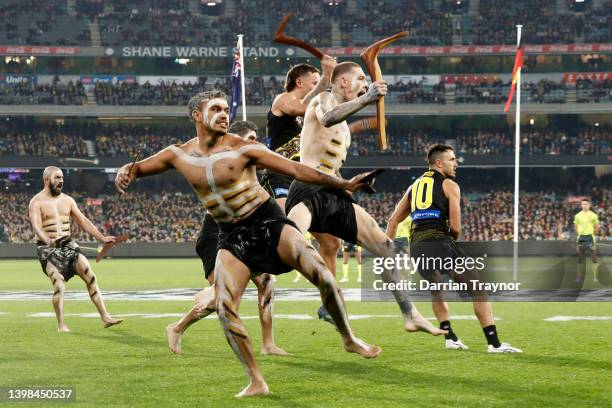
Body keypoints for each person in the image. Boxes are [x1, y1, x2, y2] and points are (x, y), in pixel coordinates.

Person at [115, 91, 381, 397]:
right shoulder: (178, 154)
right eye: (215, 108)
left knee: (320, 271)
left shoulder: (244, 148)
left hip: (267, 220)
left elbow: (298, 170)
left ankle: (348, 337)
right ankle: (257, 380)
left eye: (226, 108)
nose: (224, 113)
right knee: (225, 310)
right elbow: (135, 169)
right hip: (231, 235)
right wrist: (124, 173)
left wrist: (344, 183)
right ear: (196, 116)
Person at [285, 61, 444, 335]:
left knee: (387, 248)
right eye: (360, 79)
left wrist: (353, 185)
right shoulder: (322, 99)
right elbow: (328, 117)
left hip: (335, 192)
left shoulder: (345, 127)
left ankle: (410, 314)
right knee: (288, 249)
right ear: (343, 82)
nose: (364, 85)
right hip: (308, 190)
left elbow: (333, 168)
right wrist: (369, 99)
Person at [166, 120, 287, 356]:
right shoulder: (226, 164)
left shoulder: (251, 167)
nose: (255, 143)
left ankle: (268, 344)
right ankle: (178, 327)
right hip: (217, 237)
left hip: (243, 235)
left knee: (267, 283)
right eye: (250, 139)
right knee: (226, 297)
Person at [386, 144, 522, 353]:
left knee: (436, 289)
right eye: (452, 159)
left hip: (417, 247)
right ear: (439, 163)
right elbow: (456, 227)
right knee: (478, 290)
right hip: (440, 242)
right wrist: (450, 245)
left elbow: (393, 220)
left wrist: (385, 252)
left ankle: (449, 336)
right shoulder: (450, 185)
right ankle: (494, 344)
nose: (456, 163)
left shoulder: (413, 187)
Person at [28, 166, 123, 332]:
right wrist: (47, 239)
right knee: (59, 285)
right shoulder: (36, 202)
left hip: (69, 245)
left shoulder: (68, 200)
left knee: (90, 277)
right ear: (46, 180)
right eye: (57, 177)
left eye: (62, 178)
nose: (61, 181)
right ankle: (61, 325)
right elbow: (36, 226)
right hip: (48, 250)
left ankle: (105, 316)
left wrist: (102, 237)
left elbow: (83, 221)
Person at [574, 198, 600, 283]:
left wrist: (594, 236)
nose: (584, 205)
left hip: (590, 237)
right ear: (581, 205)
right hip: (581, 237)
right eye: (583, 204)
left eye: (586, 204)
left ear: (589, 205)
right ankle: (579, 277)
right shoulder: (577, 215)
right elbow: (576, 227)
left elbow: (596, 227)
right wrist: (579, 235)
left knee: (594, 257)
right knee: (580, 258)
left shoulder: (593, 215)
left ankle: (595, 277)